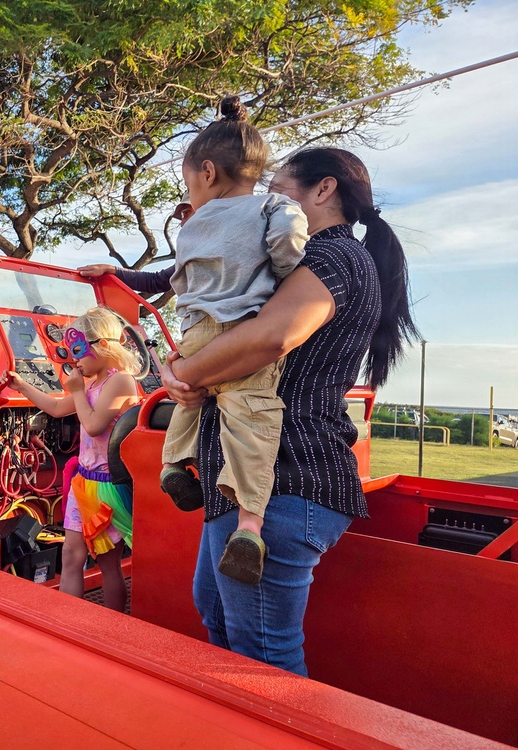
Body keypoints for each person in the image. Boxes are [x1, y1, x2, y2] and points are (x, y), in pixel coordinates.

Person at [163, 147, 418, 675]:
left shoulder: (334, 258)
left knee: (262, 653)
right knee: (218, 616)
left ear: (323, 191)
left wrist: (184, 375)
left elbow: (271, 337)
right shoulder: (311, 262)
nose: (262, 198)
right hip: (252, 479)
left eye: (276, 187)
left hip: (285, 480)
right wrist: (193, 372)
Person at [97, 96, 310, 586]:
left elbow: (171, 280)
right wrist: (280, 274)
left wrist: (118, 275)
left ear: (207, 172)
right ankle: (250, 527)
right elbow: (288, 246)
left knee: (186, 396)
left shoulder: (193, 224)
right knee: (251, 419)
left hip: (194, 337)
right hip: (239, 333)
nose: (189, 191)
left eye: (189, 180)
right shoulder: (274, 206)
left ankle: (173, 464)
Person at [7, 307, 140, 612]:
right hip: (84, 482)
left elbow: (93, 425)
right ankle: (70, 624)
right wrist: (23, 386)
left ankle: (113, 626)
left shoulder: (120, 382)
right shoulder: (91, 383)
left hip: (109, 488)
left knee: (108, 562)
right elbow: (55, 408)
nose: (73, 360)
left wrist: (78, 390)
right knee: (71, 555)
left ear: (104, 346)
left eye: (78, 350)